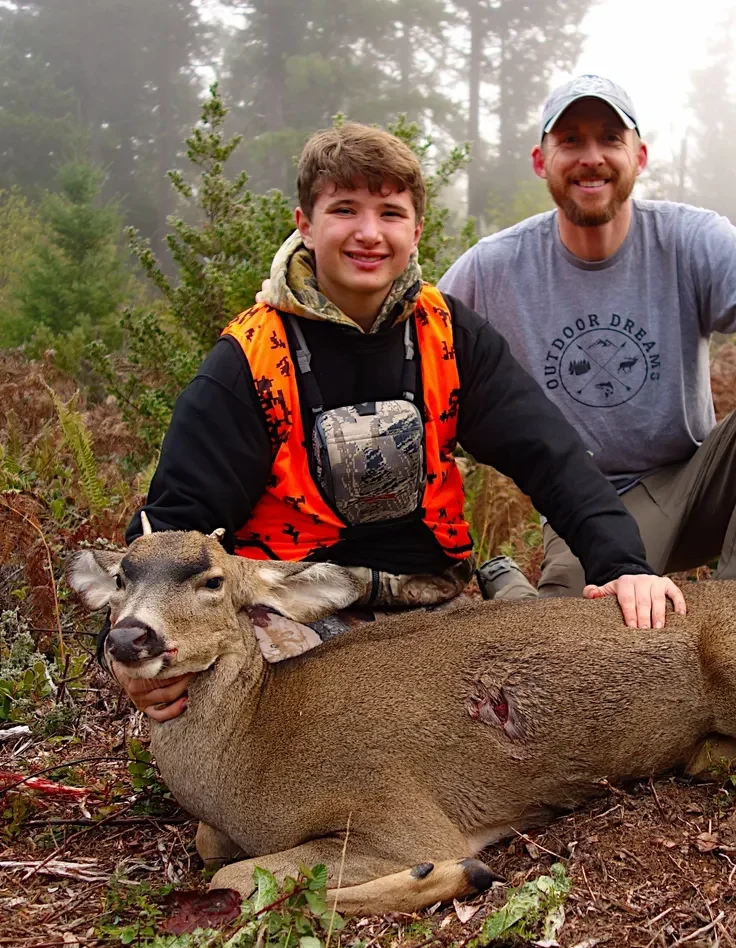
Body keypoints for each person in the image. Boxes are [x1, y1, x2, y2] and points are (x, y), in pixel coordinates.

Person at [114, 122, 685, 722]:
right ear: (305, 223)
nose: (369, 233)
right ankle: (506, 602)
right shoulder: (249, 361)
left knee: (547, 704)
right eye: (344, 210)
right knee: (340, 728)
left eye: (390, 213)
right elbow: (170, 530)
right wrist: (137, 646)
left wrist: (624, 566)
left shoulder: (448, 335)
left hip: (430, 599)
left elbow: (551, 455)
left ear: (416, 230)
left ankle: (507, 600)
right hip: (290, 611)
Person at [438, 74, 736, 601]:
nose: (591, 156)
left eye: (610, 139)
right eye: (570, 140)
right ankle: (518, 592)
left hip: (698, 483)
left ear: (639, 157)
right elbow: (416, 371)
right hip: (583, 509)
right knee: (568, 646)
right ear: (540, 160)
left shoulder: (690, 240)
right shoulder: (492, 270)